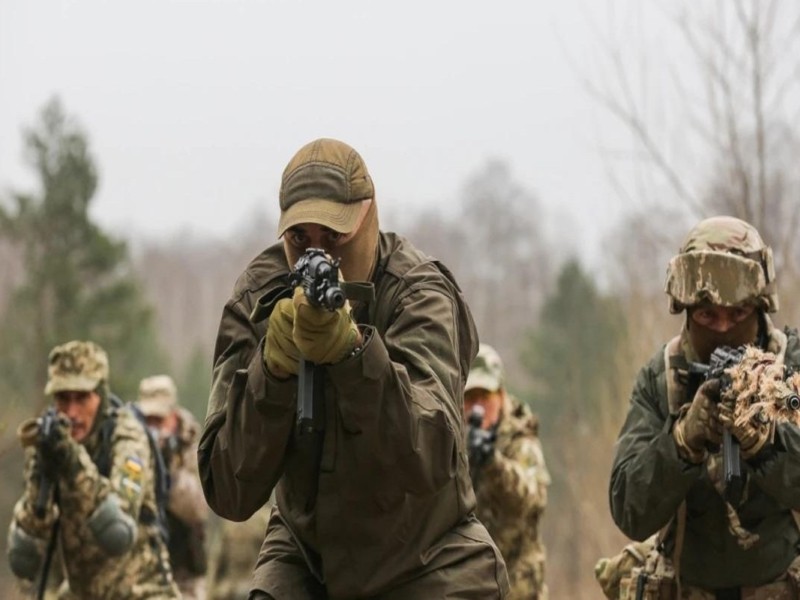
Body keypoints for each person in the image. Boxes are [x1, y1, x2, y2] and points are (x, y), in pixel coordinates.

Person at [198, 138, 509, 599]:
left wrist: (355, 355)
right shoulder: (258, 297)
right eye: (299, 238)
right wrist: (274, 371)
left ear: (368, 216)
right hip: (308, 557)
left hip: (426, 558)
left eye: (335, 236)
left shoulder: (418, 294)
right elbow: (227, 489)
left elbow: (430, 453)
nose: (316, 254)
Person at [609, 216, 800, 595]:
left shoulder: (791, 366)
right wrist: (682, 441)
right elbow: (629, 508)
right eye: (707, 315)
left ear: (759, 307)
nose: (723, 328)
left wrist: (767, 444)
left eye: (738, 314)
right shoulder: (663, 378)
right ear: (686, 310)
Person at [7, 340, 179, 599]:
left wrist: (73, 464)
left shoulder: (128, 437)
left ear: (100, 395)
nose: (72, 411)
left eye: (82, 398)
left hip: (142, 592)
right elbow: (24, 557)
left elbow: (118, 532)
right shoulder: (52, 442)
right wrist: (42, 477)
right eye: (63, 399)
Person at [464, 343, 550, 600]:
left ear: (501, 395)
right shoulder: (453, 440)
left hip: (519, 587)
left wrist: (492, 464)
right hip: (469, 584)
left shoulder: (521, 439)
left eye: (485, 397)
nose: (478, 407)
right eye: (471, 398)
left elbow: (532, 498)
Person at [137, 374, 209, 599]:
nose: (153, 428)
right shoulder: (130, 444)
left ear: (174, 417)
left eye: (159, 420)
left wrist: (169, 469)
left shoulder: (193, 445)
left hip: (184, 572)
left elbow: (198, 509)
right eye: (147, 420)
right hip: (142, 569)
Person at [206, 502, 272, 600]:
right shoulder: (227, 523)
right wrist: (211, 592)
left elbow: (270, 560)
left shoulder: (264, 520)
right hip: (231, 583)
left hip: (254, 580)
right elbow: (215, 561)